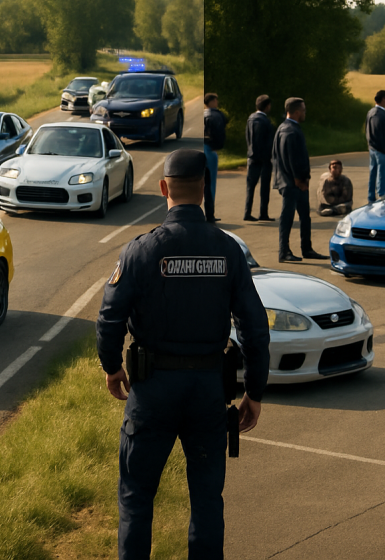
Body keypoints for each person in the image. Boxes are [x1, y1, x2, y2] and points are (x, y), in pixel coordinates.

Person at [96, 148, 270, 560]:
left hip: (152, 391)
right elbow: (254, 327)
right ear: (205, 189)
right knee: (208, 499)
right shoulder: (228, 251)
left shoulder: (142, 251)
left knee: (137, 497)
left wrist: (112, 367)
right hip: (208, 391)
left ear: (163, 189)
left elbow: (108, 317)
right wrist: (255, 392)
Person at [272, 97, 326, 263]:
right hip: (292, 183)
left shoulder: (284, 127)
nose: (304, 113)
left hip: (294, 181)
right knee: (287, 217)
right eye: (303, 110)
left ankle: (306, 248)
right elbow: (292, 158)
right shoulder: (290, 131)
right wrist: (298, 179)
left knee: (305, 216)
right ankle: (284, 251)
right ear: (296, 112)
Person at [244, 94, 275, 222]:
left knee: (250, 186)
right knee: (264, 187)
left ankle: (247, 212)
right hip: (264, 159)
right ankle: (263, 212)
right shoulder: (265, 122)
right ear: (267, 106)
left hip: (252, 156)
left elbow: (248, 137)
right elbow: (267, 142)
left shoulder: (250, 119)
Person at [203, 92, 226, 223]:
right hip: (210, 150)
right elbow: (220, 133)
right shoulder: (216, 115)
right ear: (212, 101)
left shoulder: (203, 114)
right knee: (210, 183)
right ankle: (210, 214)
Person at [365, 90, 385, 203]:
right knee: (382, 173)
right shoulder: (380, 113)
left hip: (372, 147)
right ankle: (382, 195)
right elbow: (380, 132)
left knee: (373, 172)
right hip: (380, 148)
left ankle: (371, 196)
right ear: (382, 99)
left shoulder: (371, 112)